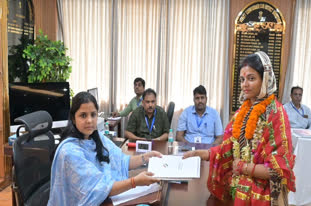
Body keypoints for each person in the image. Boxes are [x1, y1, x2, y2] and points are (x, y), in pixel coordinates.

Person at [183, 51, 295, 205]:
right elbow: (228, 148)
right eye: (242, 80)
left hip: (262, 196)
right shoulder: (242, 112)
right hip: (237, 190)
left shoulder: (276, 114)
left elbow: (277, 169)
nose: (245, 85)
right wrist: (201, 153)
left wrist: (244, 167)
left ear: (265, 79)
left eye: (251, 78)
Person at [48, 92, 161, 205]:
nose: (89, 120)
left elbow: (122, 161)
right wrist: (134, 182)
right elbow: (101, 189)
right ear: (73, 118)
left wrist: (145, 157)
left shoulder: (96, 137)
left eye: (93, 114)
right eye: (83, 115)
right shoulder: (69, 152)